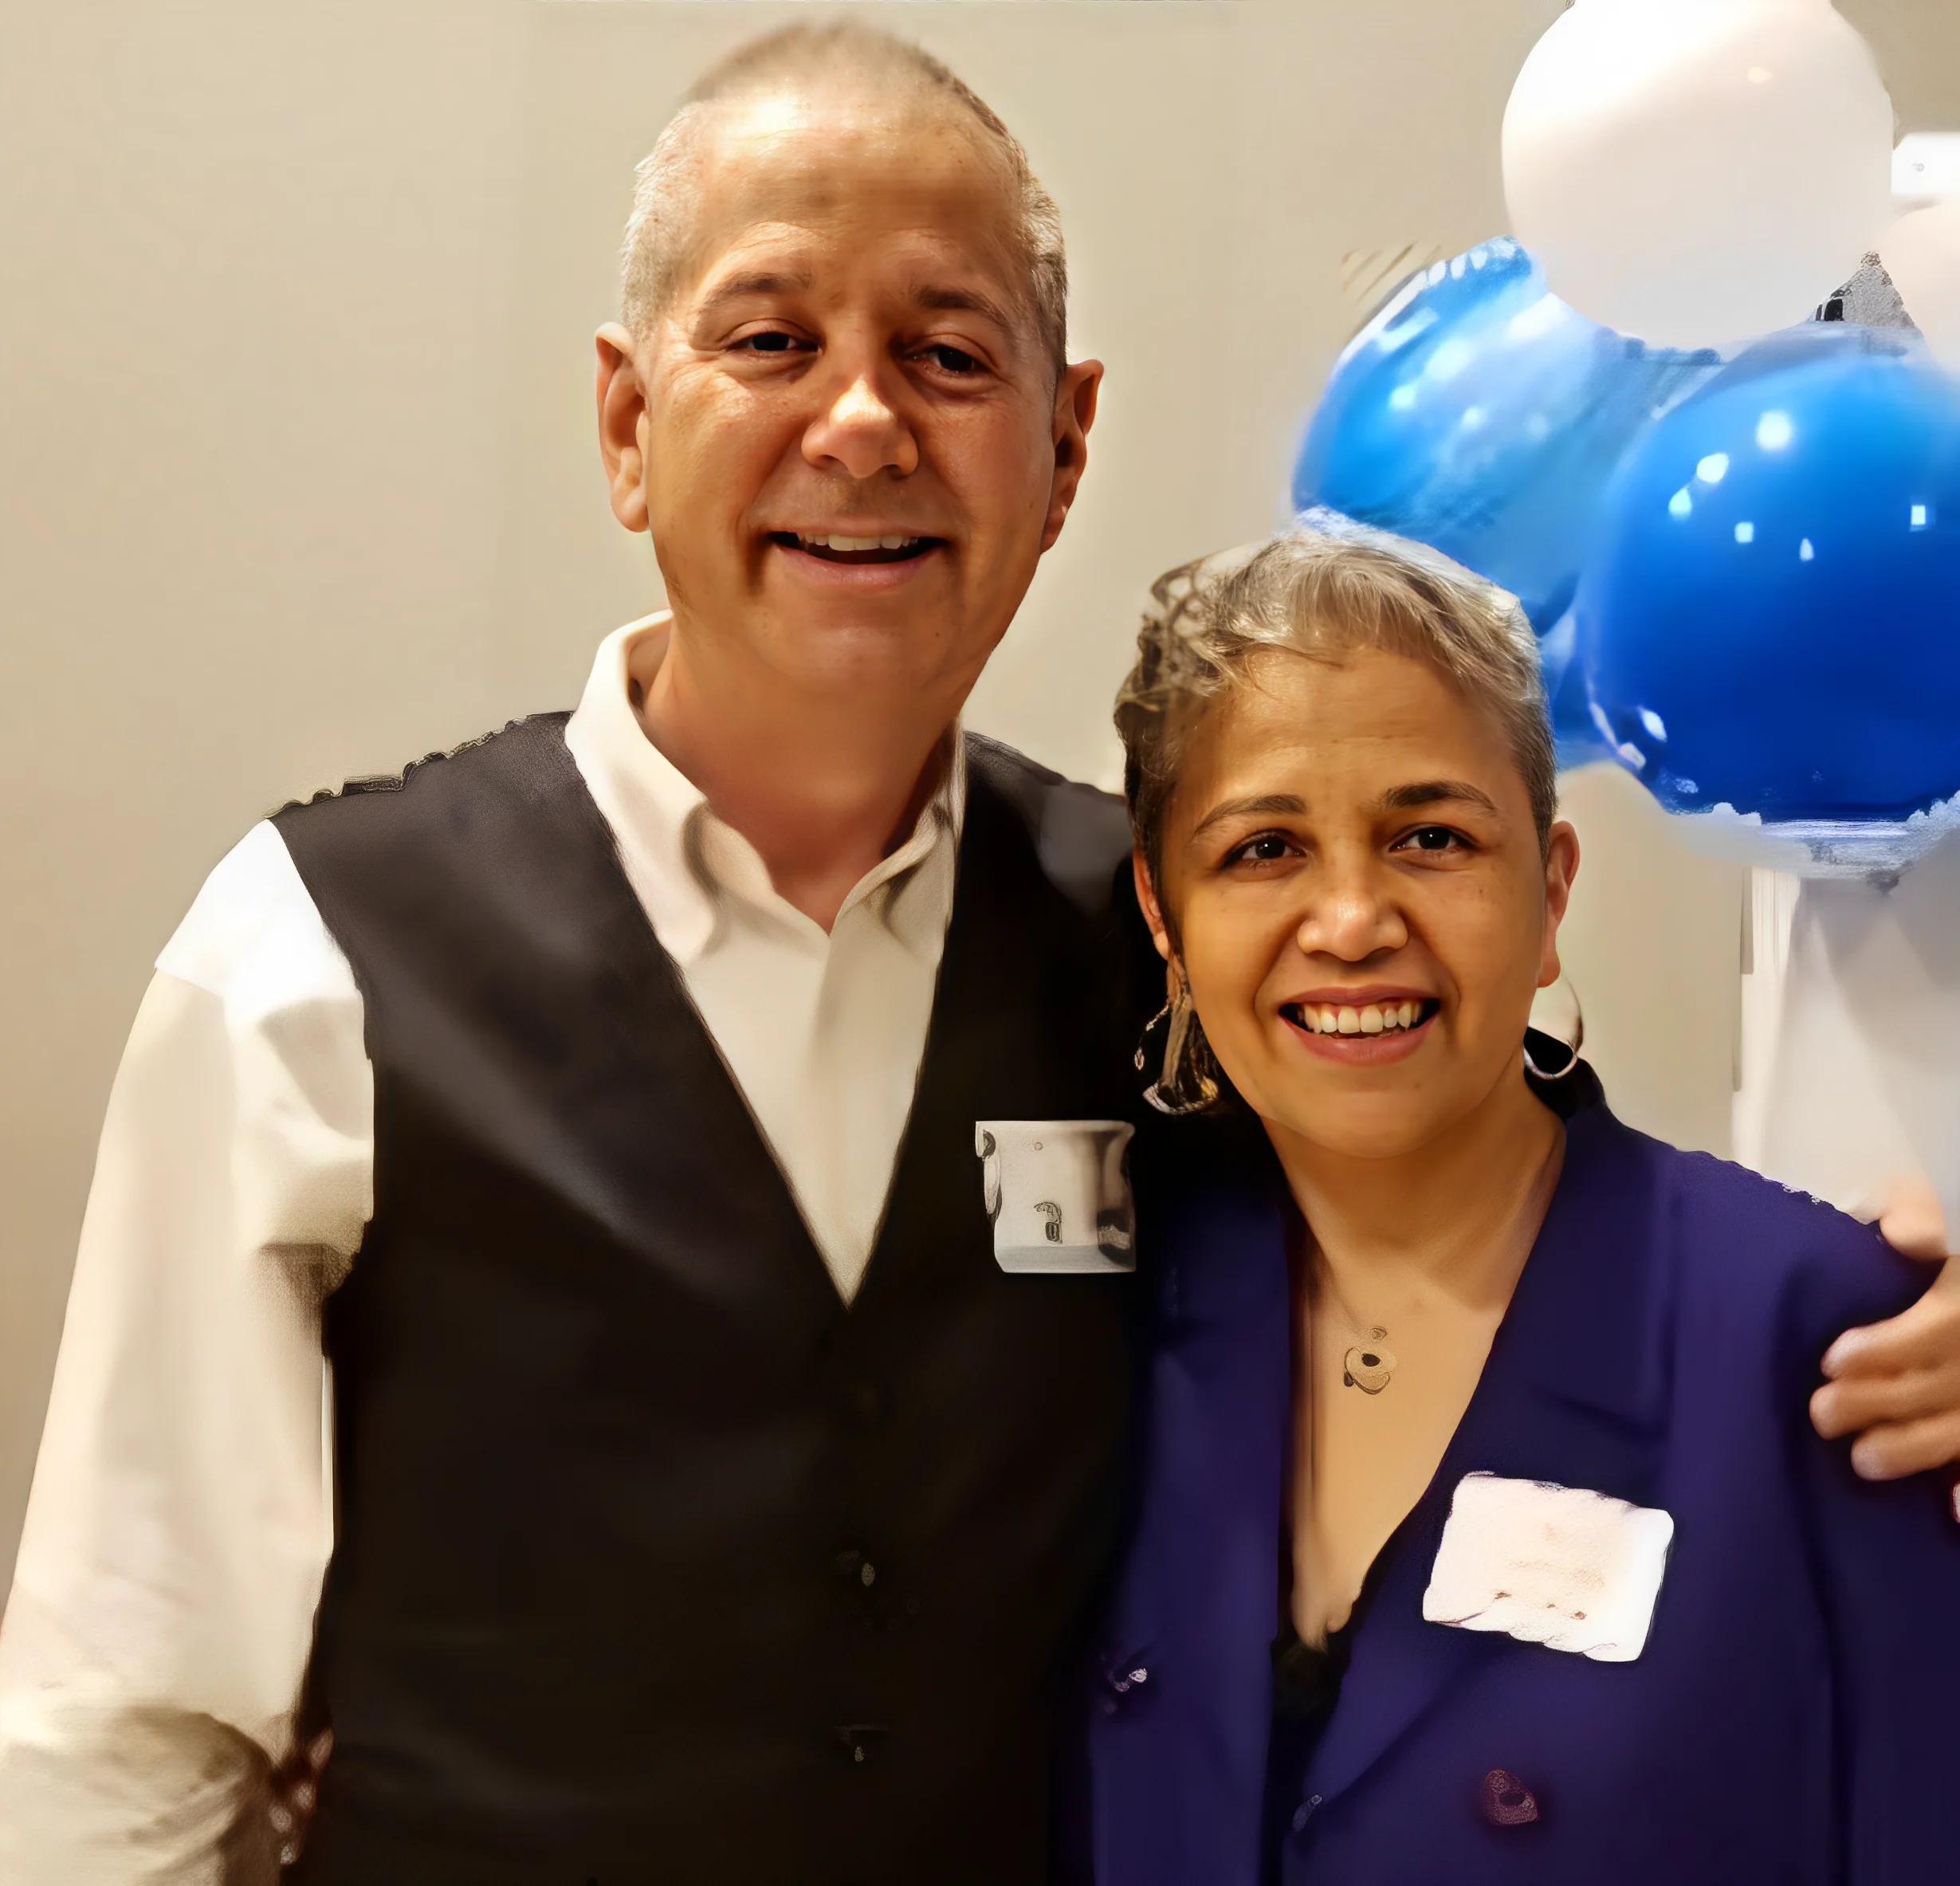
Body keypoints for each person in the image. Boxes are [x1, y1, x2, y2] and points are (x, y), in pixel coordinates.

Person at [0, 20, 1954, 1884]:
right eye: (771, 337)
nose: (859, 422)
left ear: (1064, 442)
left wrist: (1874, 1312)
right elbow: (129, 1718)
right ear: (625, 417)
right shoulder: (312, 962)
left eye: (947, 354)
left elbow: (1449, 1141)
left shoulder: (1151, 938)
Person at [1069, 521, 1960, 1884]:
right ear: (1161, 915)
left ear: (1547, 894)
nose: (1353, 918)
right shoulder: (1104, 1320)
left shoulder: (1824, 1338)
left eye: (1429, 836)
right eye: (1263, 849)